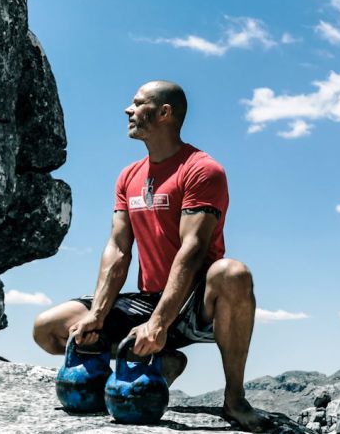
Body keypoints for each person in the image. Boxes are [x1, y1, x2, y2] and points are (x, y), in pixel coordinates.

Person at [33, 80, 271, 432]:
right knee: (48, 328)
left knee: (233, 273)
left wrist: (159, 324)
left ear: (164, 113)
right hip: (148, 298)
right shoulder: (129, 175)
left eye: (137, 103)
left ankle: (234, 400)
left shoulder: (202, 169)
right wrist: (97, 315)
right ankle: (161, 362)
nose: (128, 110)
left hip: (195, 302)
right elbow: (117, 249)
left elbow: (192, 252)